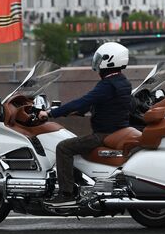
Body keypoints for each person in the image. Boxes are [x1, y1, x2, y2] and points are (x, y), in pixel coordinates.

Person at [38, 42, 132, 206]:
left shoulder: (107, 85)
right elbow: (104, 104)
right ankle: (77, 183)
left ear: (109, 61)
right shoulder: (122, 80)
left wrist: (50, 113)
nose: (97, 63)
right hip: (118, 130)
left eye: (100, 59)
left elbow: (84, 101)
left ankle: (66, 194)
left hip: (104, 134)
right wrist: (77, 110)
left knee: (64, 147)